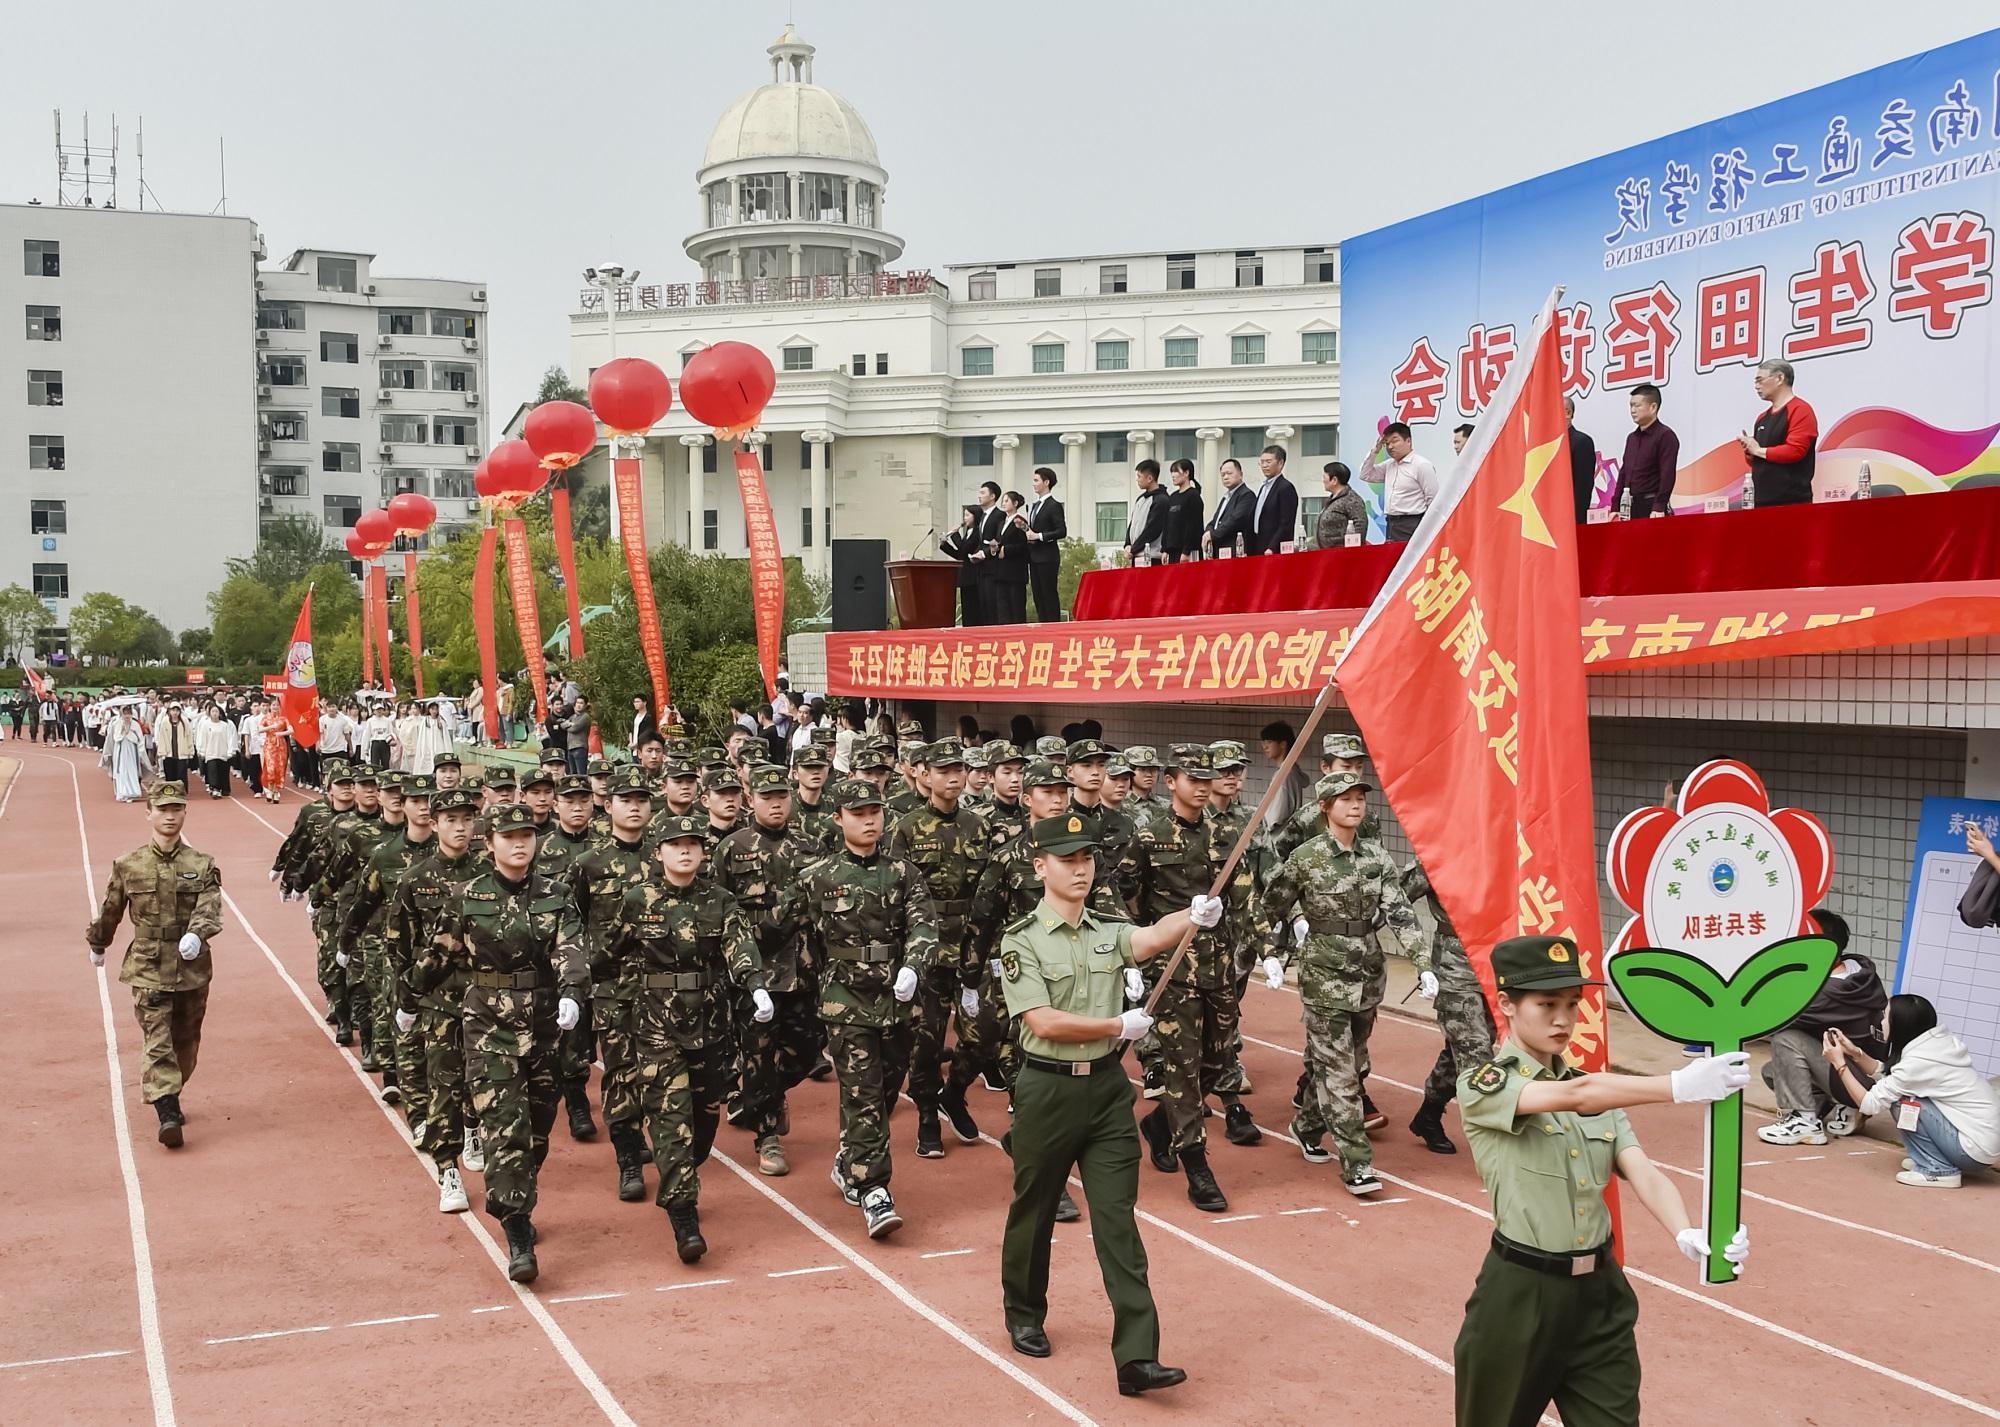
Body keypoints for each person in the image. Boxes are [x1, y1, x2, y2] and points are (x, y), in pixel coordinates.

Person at [1452, 936, 1752, 1427]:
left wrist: (1687, 1232)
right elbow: (1580, 1095)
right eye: (1547, 1004)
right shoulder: (1485, 1084)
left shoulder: (1597, 1087)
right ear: (1506, 1004)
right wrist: (1678, 1085)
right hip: (1521, 1295)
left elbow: (1642, 1170)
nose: (1563, 1019)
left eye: (1572, 1004)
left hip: (1600, 1296)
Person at [998, 809, 1215, 1396]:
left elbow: (1144, 940)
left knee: (1118, 1220)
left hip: (1105, 1092)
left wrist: (1189, 917)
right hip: (1047, 1090)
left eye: (1088, 858)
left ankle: (1137, 1357)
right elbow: (1040, 1019)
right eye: (1067, 860)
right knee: (1036, 1209)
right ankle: (1023, 1311)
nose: (1080, 869)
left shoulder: (1104, 928)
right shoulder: (1021, 939)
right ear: (1039, 865)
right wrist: (1115, 1024)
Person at [419, 803, 589, 1282]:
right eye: (509, 835)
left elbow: (571, 947)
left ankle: (515, 1193)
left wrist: (573, 991)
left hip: (544, 1024)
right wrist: (410, 999)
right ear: (489, 841)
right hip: (488, 1026)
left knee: (536, 1127)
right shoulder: (466, 895)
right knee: (503, 1126)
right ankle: (517, 1231)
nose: (520, 842)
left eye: (528, 834)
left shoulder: (557, 895)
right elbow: (440, 954)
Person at [768, 776, 940, 1238]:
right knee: (862, 1092)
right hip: (845, 1001)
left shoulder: (904, 874)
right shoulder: (817, 876)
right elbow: (775, 926)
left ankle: (851, 1156)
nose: (869, 820)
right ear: (838, 818)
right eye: (858, 813)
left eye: (875, 812)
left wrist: (914, 966)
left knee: (887, 1087)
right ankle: (875, 1190)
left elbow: (925, 927)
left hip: (899, 999)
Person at [606, 812, 768, 1262]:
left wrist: (754, 983)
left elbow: (739, 944)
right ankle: (684, 1217)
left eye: (693, 844)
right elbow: (610, 952)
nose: (685, 851)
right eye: (675, 845)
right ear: (658, 854)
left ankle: (683, 1168)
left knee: (705, 1111)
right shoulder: (638, 900)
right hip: (656, 1025)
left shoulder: (719, 900)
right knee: (670, 1118)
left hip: (711, 1023)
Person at [1257, 772, 1429, 1195]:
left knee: (1349, 1062)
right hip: (1324, 974)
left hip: (1367, 972)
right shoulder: (1306, 857)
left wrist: (1422, 963)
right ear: (1324, 807)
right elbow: (1269, 907)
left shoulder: (1376, 856)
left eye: (1359, 799)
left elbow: (1400, 911)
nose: (1355, 805)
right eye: (1344, 799)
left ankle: (1306, 1124)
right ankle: (1358, 1164)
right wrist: (1269, 954)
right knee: (1341, 1073)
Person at [84, 779, 222, 1148]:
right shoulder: (129, 865)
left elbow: (210, 906)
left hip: (191, 966)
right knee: (157, 1040)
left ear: (184, 814)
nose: (170, 816)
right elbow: (111, 909)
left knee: (186, 1042)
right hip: (147, 965)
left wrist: (198, 932)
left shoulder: (202, 863)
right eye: (163, 810)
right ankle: (167, 1111)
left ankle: (172, 1089)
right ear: (149, 814)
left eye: (177, 809)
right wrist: (99, 942)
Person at [886, 738, 990, 1160]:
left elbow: (988, 890)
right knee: (926, 1040)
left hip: (970, 942)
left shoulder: (978, 826)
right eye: (943, 770)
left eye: (958, 769)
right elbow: (895, 891)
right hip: (926, 945)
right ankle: (928, 1114)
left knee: (984, 1033)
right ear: (923, 775)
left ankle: (955, 1093)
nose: (953, 777)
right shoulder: (907, 827)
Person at [1823, 993, 1999, 1188]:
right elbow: (1891, 1076)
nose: (1881, 1021)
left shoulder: (1918, 1063)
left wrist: (1839, 1063)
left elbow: (1869, 1104)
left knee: (1903, 1103)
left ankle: (1938, 1170)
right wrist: (1855, 1053)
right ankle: (1930, 1158)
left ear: (1900, 1026)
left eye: (1886, 1016)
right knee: (1903, 1095)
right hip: (1980, 1142)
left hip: (1972, 1151)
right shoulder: (1935, 1045)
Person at [1756, 909, 1887, 1145]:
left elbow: (1769, 1019)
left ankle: (1804, 1121)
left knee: (1785, 1039)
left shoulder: (1824, 994)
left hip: (1857, 1078)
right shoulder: (1856, 968)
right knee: (1772, 1071)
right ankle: (1846, 1105)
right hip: (1868, 1075)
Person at [1738, 358, 1818, 507]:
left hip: (1792, 502)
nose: (1756, 386)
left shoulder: (1800, 410)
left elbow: (1795, 451)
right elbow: (1759, 459)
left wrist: (1758, 450)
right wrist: (1750, 452)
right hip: (1761, 501)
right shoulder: (1762, 418)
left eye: (1760, 380)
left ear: (1780, 378)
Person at [1610, 382, 1679, 518]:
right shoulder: (1631, 438)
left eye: (1637, 405)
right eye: (1631, 405)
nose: (1632, 410)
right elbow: (1623, 473)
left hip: (1652, 506)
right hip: (1629, 507)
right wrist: (1615, 506)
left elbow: (1667, 475)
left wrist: (1659, 506)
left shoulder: (1665, 435)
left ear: (1653, 407)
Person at [1362, 423, 1438, 542]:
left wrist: (1427, 529)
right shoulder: (1389, 465)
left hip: (1412, 523)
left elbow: (1433, 500)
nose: (1390, 446)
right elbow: (1365, 474)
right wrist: (1375, 451)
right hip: (1391, 524)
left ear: (1408, 441)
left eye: (1394, 441)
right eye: (1386, 443)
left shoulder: (1421, 465)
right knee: (1393, 559)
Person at [1023, 466, 1066, 621]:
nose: (1033, 484)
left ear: (1046, 482)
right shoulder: (1035, 506)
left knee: (1048, 595)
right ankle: (1042, 627)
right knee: (1038, 596)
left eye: (1036, 480)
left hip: (1048, 557)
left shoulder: (1053, 505)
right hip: (1034, 557)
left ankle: (1053, 627)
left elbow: (1061, 531)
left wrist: (1039, 536)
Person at [1258, 721, 1314, 832]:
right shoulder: (1291, 769)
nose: (1265, 747)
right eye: (1263, 742)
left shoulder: (1284, 774)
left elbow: (1275, 816)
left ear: (1283, 744)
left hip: (1278, 837)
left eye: (1269, 742)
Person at [967, 479, 1007, 625]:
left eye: (983, 493)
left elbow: (998, 539)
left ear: (992, 496)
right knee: (983, 607)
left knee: (993, 606)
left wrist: (984, 553)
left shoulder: (999, 515)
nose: (979, 496)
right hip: (981, 568)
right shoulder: (983, 516)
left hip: (994, 568)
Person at [1248, 445, 1299, 554]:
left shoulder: (1285, 487)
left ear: (1280, 463)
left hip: (1274, 549)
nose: (1264, 465)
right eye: (1262, 462)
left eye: (1268, 461)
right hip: (1258, 545)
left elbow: (1286, 523)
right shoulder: (1264, 487)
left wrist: (1272, 547)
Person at [992, 491, 1032, 624]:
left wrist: (1007, 550)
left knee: (1016, 609)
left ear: (1015, 504)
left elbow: (1025, 546)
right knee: (1002, 609)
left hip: (1015, 573)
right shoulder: (1001, 523)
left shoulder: (1020, 521)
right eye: (1003, 501)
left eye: (1007, 501)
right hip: (1001, 571)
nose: (1003, 503)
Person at [101, 705, 153, 803]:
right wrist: (123, 731)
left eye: (129, 713)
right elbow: (114, 738)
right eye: (125, 713)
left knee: (132, 770)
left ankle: (132, 792)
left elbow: (140, 739)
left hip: (132, 751)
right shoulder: (116, 723)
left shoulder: (135, 724)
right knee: (121, 770)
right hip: (120, 750)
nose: (127, 716)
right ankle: (122, 793)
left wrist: (130, 733)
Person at [1204, 458, 1253, 557]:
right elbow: (1215, 521)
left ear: (1240, 474)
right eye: (1223, 475)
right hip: (1220, 551)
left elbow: (1235, 520)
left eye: (1229, 473)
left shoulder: (1246, 495)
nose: (1225, 477)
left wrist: (1212, 535)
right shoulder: (1226, 498)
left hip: (1236, 551)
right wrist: (1208, 531)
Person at [1159, 459, 1205, 563]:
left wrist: (1186, 551)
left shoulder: (1193, 496)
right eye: (1172, 472)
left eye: (1176, 471)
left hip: (1188, 552)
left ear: (1186, 473)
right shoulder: (1173, 497)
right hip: (1172, 552)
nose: (1173, 475)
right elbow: (1167, 525)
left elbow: (1194, 526)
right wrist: (1165, 550)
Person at [1315, 462, 1367, 549]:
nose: (1323, 480)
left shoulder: (1351, 499)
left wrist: (1351, 550)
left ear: (1334, 480)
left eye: (1324, 477)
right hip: (1327, 553)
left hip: (1342, 554)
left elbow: (1360, 525)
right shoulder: (1331, 500)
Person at [1124, 461, 1166, 564]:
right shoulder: (1140, 499)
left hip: (1152, 557)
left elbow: (1152, 529)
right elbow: (1132, 524)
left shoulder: (1161, 500)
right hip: (1136, 555)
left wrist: (1134, 549)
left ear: (1150, 478)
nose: (1137, 479)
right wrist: (1127, 545)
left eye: (1139, 476)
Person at [1566, 397, 1599, 522]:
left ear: (1568, 413)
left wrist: (1575, 517)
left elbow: (1583, 487)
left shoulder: (1581, 442)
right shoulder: (1547, 443)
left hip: (1571, 517)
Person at [156, 705, 195, 788]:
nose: (175, 712)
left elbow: (189, 736)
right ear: (170, 711)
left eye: (177, 710)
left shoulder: (184, 721)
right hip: (169, 753)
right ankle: (171, 792)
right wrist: (162, 752)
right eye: (173, 710)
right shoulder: (165, 721)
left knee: (181, 773)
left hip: (182, 753)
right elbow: (162, 737)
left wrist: (190, 750)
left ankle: (181, 791)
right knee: (170, 774)